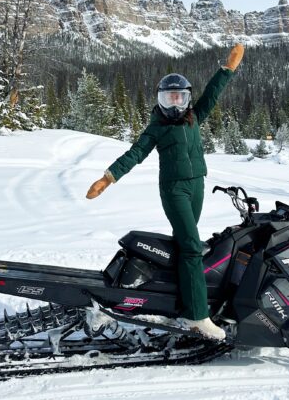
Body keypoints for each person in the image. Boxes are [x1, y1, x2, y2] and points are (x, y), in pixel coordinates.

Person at [86, 44, 245, 341]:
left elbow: (212, 93)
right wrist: (108, 178)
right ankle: (197, 316)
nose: (174, 104)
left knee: (185, 245)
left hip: (196, 184)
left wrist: (227, 69)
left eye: (179, 98)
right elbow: (135, 153)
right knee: (191, 247)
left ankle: (176, 298)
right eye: (168, 98)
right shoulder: (156, 127)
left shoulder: (194, 117)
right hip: (174, 190)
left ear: (185, 99)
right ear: (160, 100)